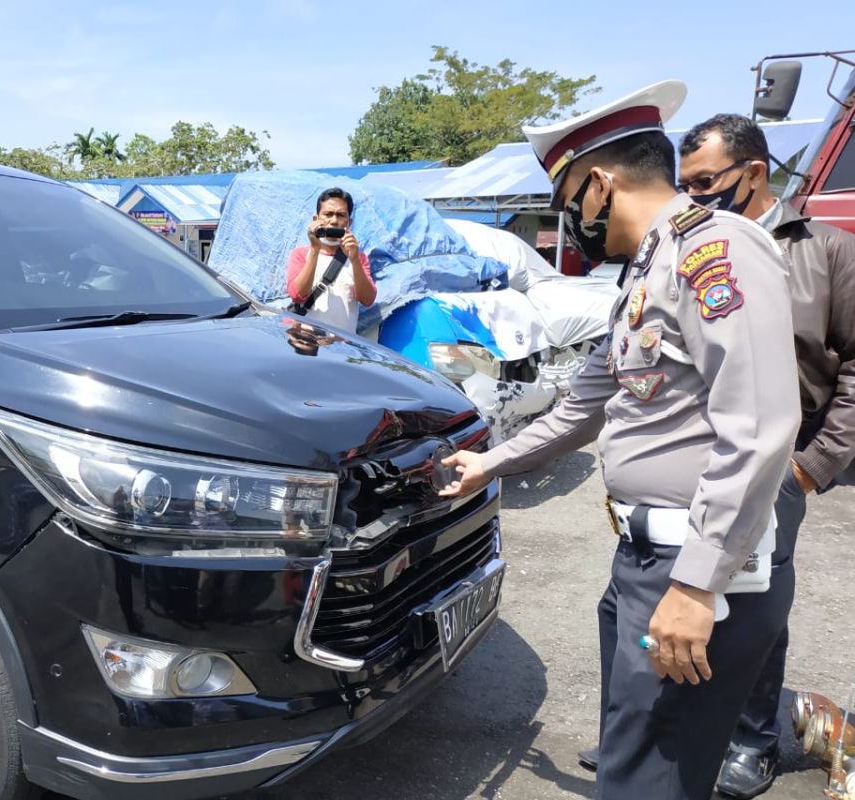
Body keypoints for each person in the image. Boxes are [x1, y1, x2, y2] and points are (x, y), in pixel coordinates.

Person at [438, 81, 801, 800]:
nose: (568, 217)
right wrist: (489, 463)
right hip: (643, 560)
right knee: (638, 759)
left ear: (600, 183)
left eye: (568, 196)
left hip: (693, 568)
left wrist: (697, 584)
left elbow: (759, 423)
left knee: (653, 781)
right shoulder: (645, 273)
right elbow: (583, 409)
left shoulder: (714, 251)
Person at [677, 113, 855, 799]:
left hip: (782, 460)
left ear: (754, 173)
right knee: (677, 588)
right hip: (693, 454)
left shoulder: (826, 253)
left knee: (750, 598)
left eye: (704, 183)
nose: (690, 199)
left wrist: (814, 466)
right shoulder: (689, 247)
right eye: (683, 184)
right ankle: (665, 733)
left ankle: (751, 739)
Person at [286, 187, 376, 332]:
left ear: (349, 222)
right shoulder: (301, 254)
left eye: (341, 215)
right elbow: (297, 295)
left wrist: (354, 259)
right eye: (328, 214)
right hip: (305, 347)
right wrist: (315, 249)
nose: (334, 221)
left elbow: (368, 300)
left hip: (341, 348)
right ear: (316, 220)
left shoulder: (358, 258)